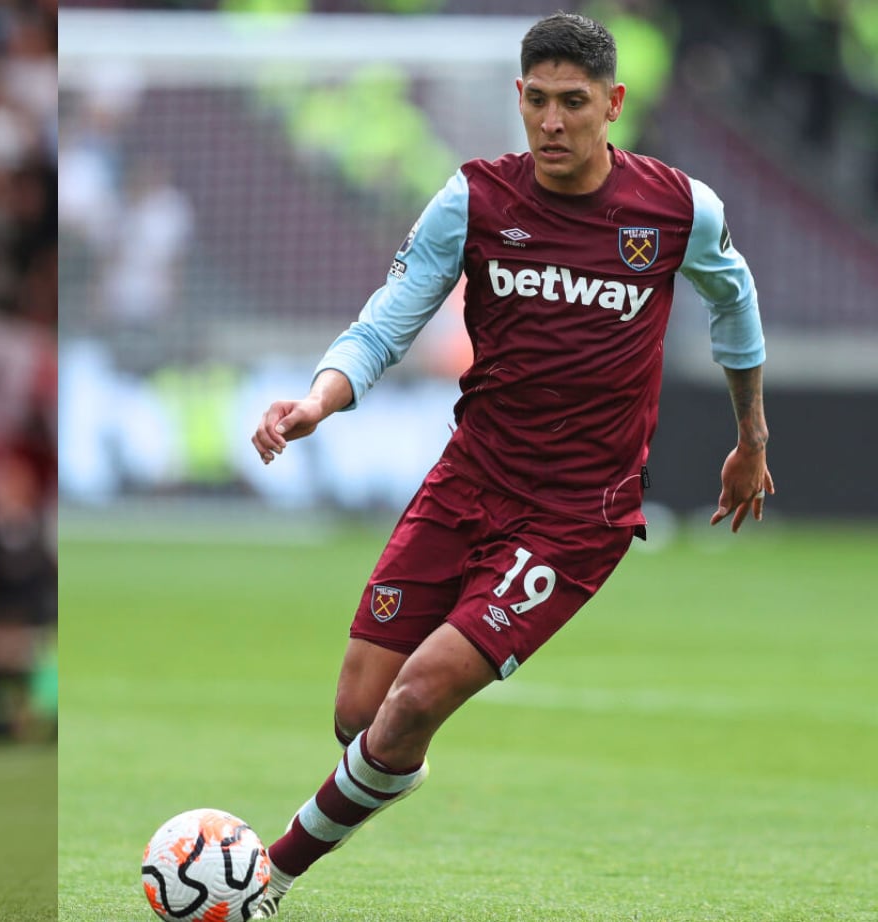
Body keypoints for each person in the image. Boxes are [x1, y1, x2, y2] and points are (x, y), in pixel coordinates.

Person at [246, 13, 771, 917]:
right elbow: (388, 319)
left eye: (575, 103)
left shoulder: (679, 209)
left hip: (577, 518)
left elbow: (736, 301)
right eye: (538, 102)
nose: (554, 123)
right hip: (469, 480)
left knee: (410, 702)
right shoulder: (474, 199)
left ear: (614, 105)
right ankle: (383, 769)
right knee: (359, 717)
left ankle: (265, 877)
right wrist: (317, 402)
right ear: (517, 100)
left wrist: (751, 436)